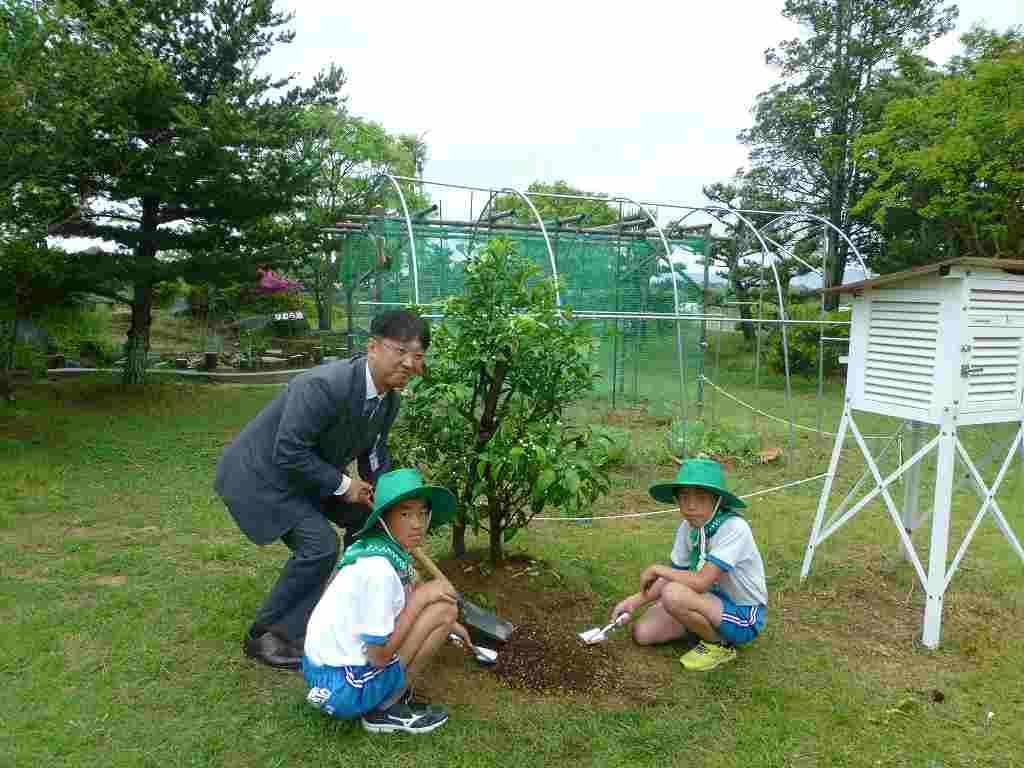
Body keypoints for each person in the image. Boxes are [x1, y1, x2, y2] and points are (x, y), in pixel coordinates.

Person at [214, 309, 429, 670]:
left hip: (308, 475)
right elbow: (288, 450)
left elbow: (374, 451)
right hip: (262, 477)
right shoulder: (322, 385)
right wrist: (345, 485)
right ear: (373, 347)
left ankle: (358, 607)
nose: (410, 363)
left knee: (368, 520)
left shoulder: (388, 399)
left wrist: (386, 497)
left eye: (419, 356)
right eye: (400, 351)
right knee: (319, 545)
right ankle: (268, 635)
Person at [302, 468, 470, 734]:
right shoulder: (379, 570)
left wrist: (449, 623)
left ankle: (383, 696)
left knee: (439, 610)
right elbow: (379, 657)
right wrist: (421, 600)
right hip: (343, 688)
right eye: (405, 514)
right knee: (442, 610)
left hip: (324, 672)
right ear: (383, 520)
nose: (417, 523)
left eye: (422, 513)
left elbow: (406, 593)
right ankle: (385, 711)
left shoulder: (377, 550)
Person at [610, 458, 767, 671]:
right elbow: (677, 573)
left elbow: (701, 582)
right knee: (643, 633)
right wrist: (634, 601)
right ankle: (698, 626)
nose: (690, 506)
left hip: (743, 615)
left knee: (673, 594)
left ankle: (718, 646)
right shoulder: (688, 527)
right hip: (705, 601)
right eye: (684, 497)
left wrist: (657, 569)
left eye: (700, 497)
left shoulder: (734, 528)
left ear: (717, 500)